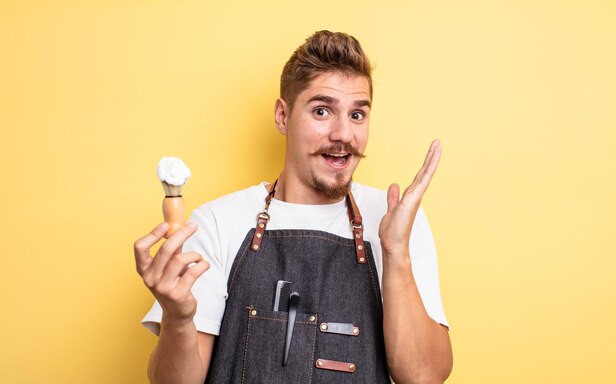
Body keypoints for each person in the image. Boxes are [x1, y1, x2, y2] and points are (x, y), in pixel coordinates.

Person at [135, 30, 453, 384]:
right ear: (283, 116)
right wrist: (178, 320)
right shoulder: (218, 223)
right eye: (322, 111)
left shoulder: (396, 221)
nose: (343, 134)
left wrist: (396, 254)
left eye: (357, 115)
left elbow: (424, 378)